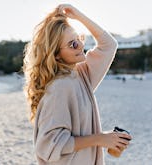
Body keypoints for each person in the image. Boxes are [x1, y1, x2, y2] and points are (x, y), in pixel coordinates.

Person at [23, 4, 132, 165]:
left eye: (79, 38)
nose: (81, 46)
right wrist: (101, 139)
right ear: (57, 55)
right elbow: (48, 145)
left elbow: (109, 45)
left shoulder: (80, 75)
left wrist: (78, 15)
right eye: (72, 44)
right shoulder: (59, 87)